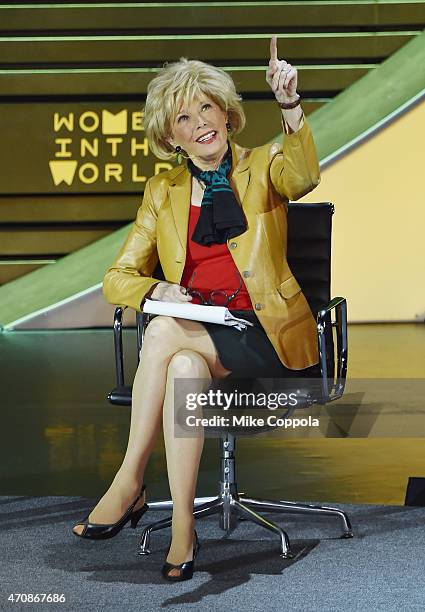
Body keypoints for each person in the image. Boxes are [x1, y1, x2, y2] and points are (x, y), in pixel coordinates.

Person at [72, 37, 321, 581]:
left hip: (265, 335)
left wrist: (289, 105)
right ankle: (183, 528)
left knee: (161, 336)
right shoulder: (162, 191)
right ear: (170, 137)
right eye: (184, 117)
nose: (200, 123)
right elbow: (116, 278)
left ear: (227, 114)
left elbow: (303, 178)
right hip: (200, 335)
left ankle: (128, 479)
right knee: (181, 365)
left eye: (207, 107)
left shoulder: (263, 167)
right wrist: (155, 290)